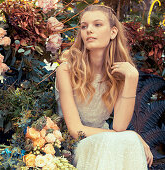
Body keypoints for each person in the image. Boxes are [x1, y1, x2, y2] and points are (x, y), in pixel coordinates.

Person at [55, 4, 153, 170]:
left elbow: (119, 126)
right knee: (126, 140)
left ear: (113, 32)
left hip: (108, 140)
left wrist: (132, 78)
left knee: (122, 141)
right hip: (74, 145)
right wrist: (132, 135)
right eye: (84, 26)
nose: (89, 30)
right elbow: (75, 130)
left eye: (97, 24)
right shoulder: (66, 70)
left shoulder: (119, 73)